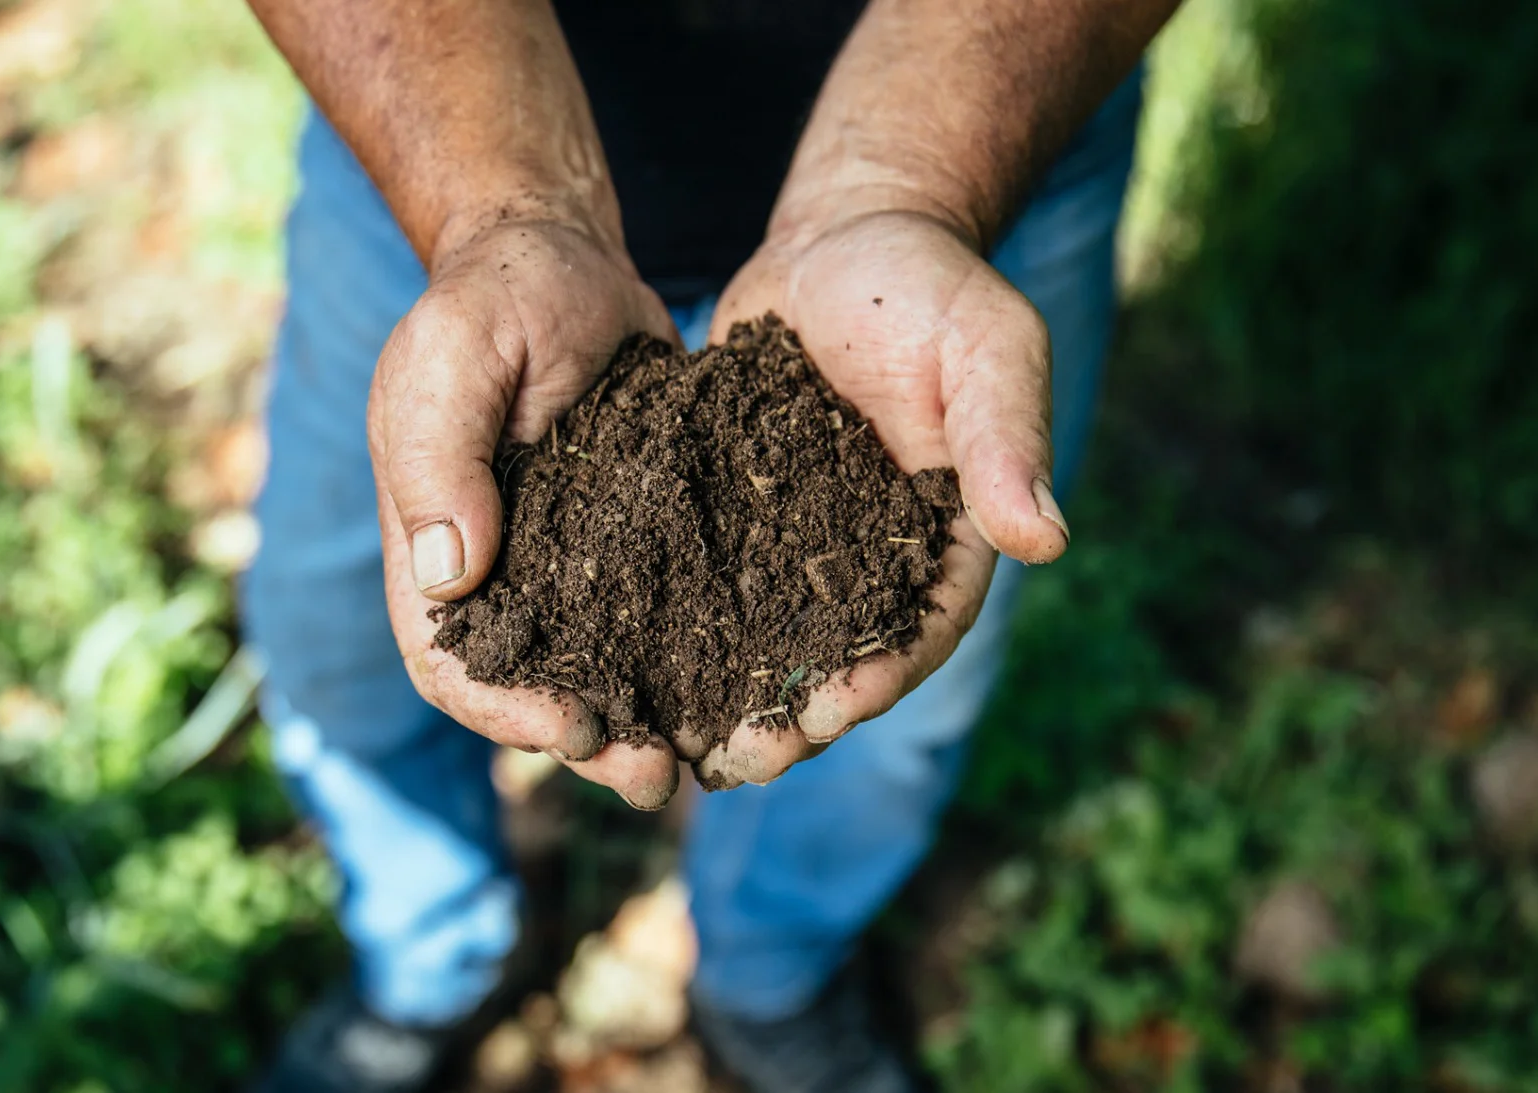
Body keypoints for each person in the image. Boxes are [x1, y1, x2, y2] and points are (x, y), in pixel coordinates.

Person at [239, 1, 1177, 1090]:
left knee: (894, 720)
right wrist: (497, 213)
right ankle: (430, 953)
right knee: (337, 632)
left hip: (993, 116)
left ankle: (770, 977)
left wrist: (905, 186)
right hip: (431, 133)